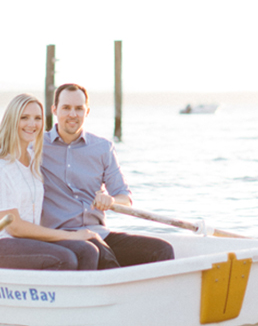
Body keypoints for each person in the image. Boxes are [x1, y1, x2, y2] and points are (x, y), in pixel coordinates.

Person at [0, 93, 117, 270]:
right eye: (24, 118)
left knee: (88, 250)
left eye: (37, 118)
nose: (32, 124)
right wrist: (71, 235)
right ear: (11, 120)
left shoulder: (33, 160)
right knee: (65, 258)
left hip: (25, 241)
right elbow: (14, 227)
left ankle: (88, 296)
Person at [39, 83, 174, 267]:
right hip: (60, 238)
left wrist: (110, 200)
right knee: (98, 252)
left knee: (162, 250)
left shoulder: (102, 148)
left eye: (79, 108)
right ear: (55, 110)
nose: (73, 114)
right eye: (66, 108)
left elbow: (124, 198)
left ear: (87, 112)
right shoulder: (36, 147)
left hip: (99, 234)